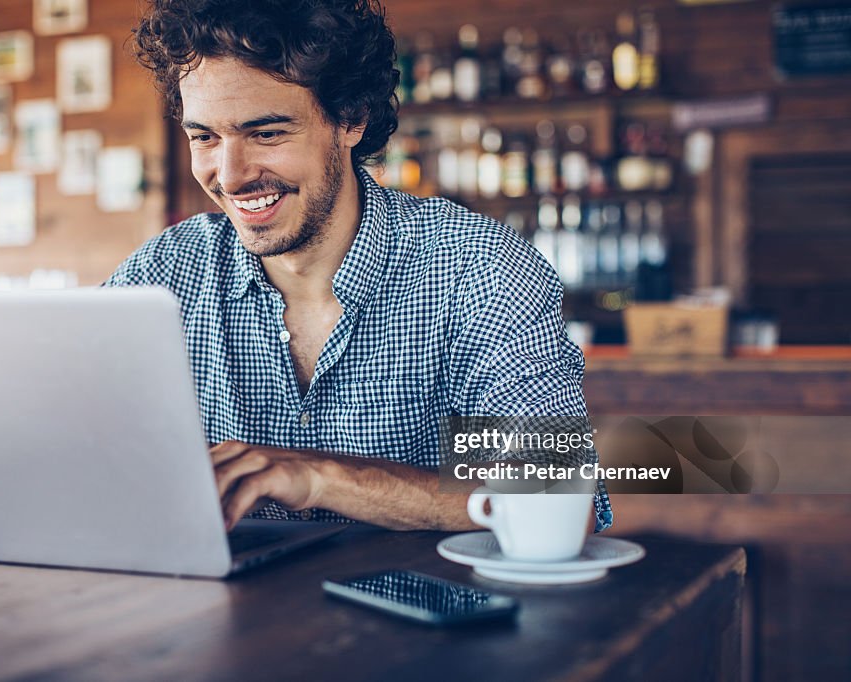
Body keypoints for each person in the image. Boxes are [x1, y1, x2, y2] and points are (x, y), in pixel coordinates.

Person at [107, 0, 612, 533]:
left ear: (351, 119)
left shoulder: (478, 268)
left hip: (422, 591)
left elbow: (557, 505)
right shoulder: (161, 277)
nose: (230, 176)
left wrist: (319, 478)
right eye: (204, 137)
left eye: (267, 133)